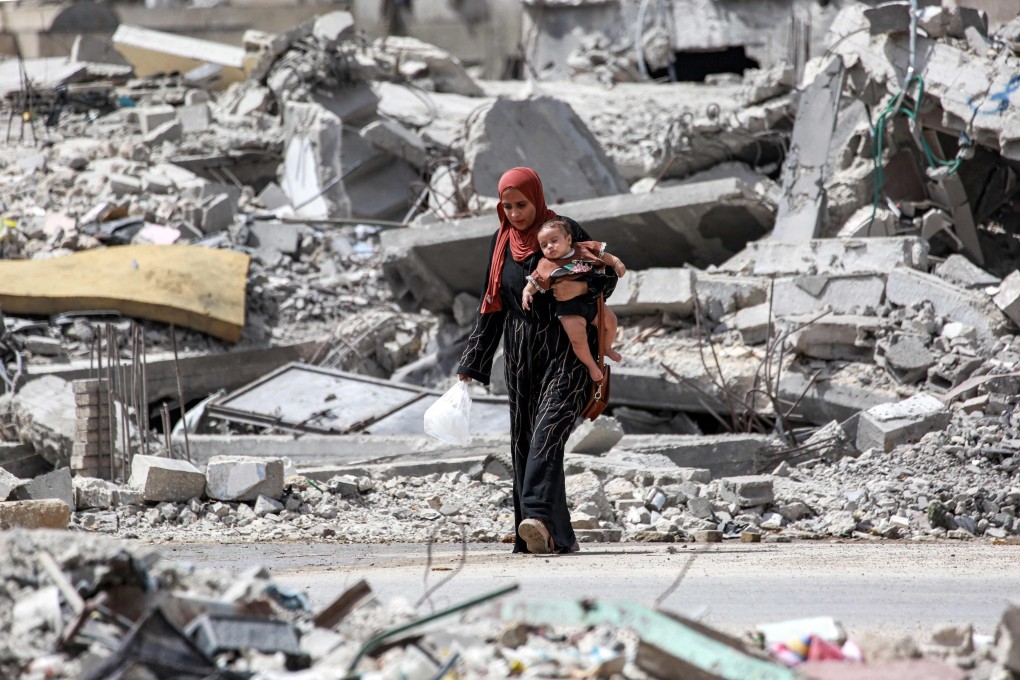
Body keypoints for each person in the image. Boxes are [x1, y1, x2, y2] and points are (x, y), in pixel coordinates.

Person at [457, 167, 617, 555]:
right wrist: (471, 363)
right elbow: (491, 305)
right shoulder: (501, 242)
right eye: (507, 206)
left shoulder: (562, 230)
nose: (515, 214)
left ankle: (536, 515)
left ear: (537, 199)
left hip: (567, 349)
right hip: (520, 355)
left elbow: (607, 275)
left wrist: (578, 286)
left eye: (522, 205)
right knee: (525, 441)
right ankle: (553, 537)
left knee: (548, 434)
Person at [521, 218, 626, 381]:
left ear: (568, 239)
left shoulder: (583, 249)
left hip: (590, 300)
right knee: (578, 340)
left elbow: (605, 257)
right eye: (544, 245)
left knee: (611, 321)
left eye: (554, 241)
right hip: (568, 308)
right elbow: (534, 281)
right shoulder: (546, 264)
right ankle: (591, 365)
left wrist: (617, 262)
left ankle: (607, 348)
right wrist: (527, 292)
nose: (549, 247)